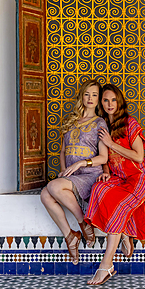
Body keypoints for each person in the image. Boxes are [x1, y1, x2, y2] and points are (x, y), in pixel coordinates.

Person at [85, 83, 145, 285]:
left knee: (117, 206)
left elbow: (139, 157)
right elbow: (104, 156)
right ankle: (123, 232)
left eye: (113, 99)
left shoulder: (129, 123)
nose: (109, 104)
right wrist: (106, 172)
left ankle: (106, 265)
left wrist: (111, 143)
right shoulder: (103, 125)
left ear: (119, 101)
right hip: (118, 177)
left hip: (139, 177)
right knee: (98, 188)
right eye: (105, 100)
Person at [41, 79, 108, 265]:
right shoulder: (71, 120)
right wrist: (64, 170)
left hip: (89, 175)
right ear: (81, 96)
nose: (90, 98)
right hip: (71, 175)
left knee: (52, 186)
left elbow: (104, 157)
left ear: (99, 99)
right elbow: (63, 150)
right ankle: (70, 236)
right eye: (87, 94)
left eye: (95, 95)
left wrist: (80, 164)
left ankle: (82, 222)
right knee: (45, 195)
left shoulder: (100, 123)